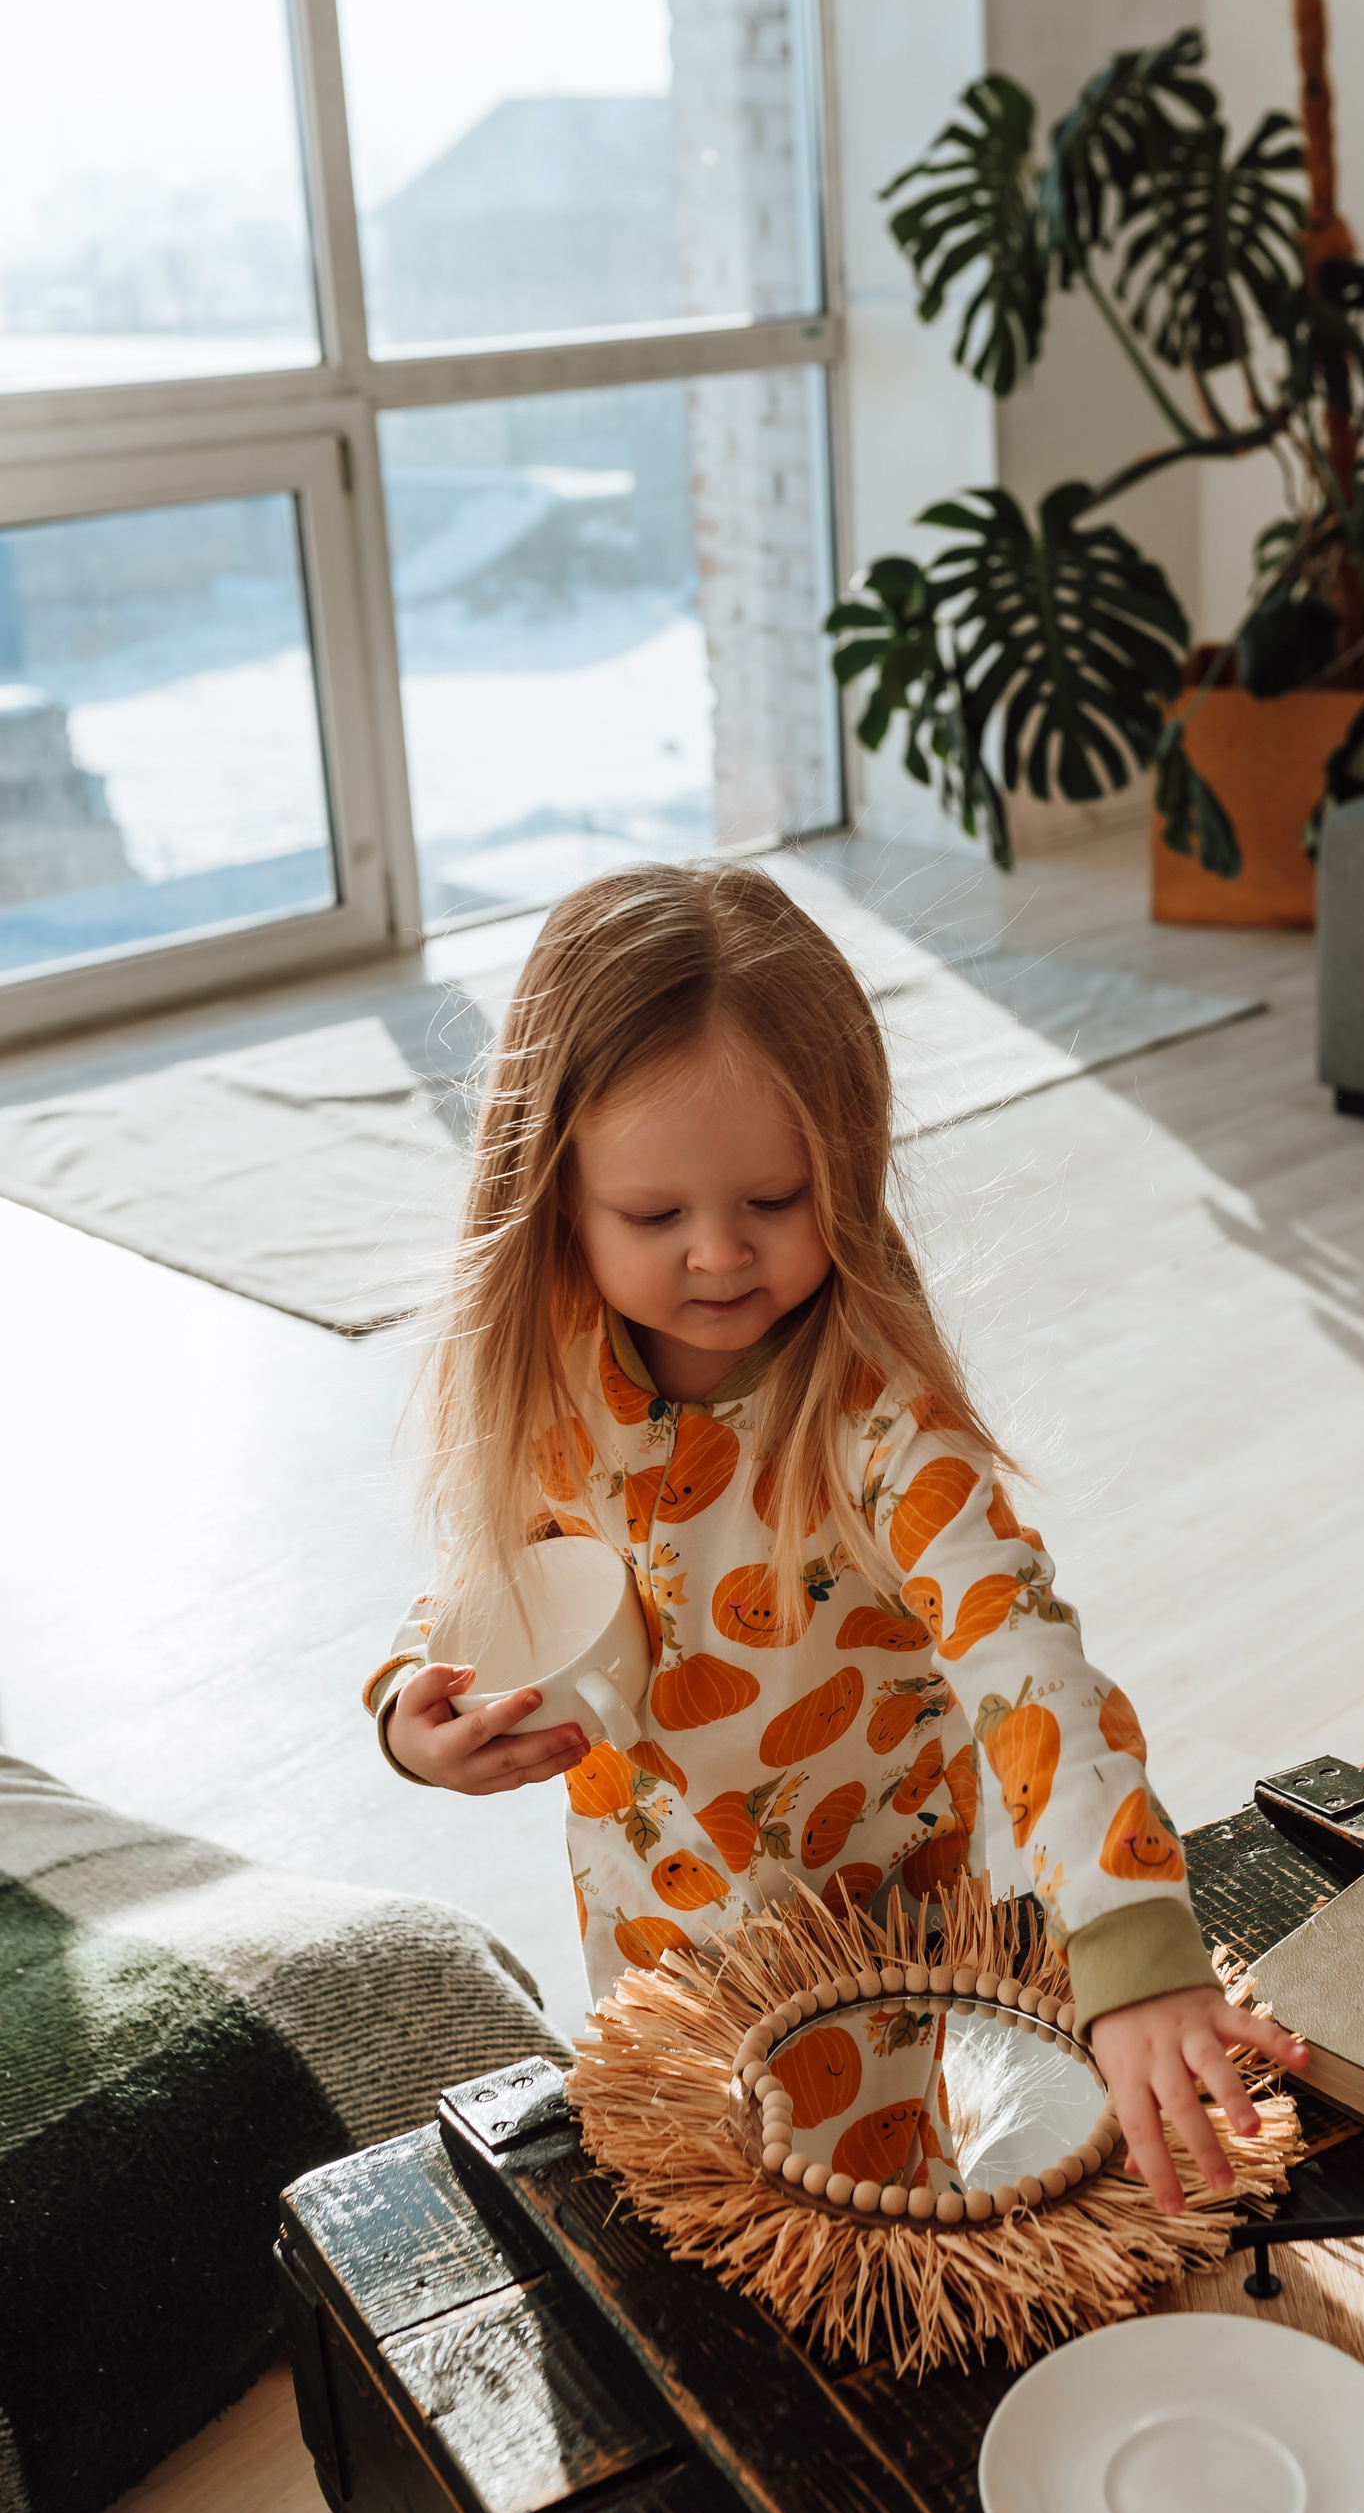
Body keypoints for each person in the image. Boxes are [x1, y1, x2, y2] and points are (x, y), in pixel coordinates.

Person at [361, 863, 1300, 2208]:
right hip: (644, 1913)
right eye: (655, 1215)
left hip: (865, 1934)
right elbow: (501, 1580)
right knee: (691, 2189)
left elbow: (1028, 1667)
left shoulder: (881, 1425)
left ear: (848, 1173)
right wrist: (415, 1707)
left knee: (862, 2213)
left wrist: (1132, 1937)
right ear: (555, 1191)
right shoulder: (553, 1366)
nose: (719, 1254)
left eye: (775, 1199)